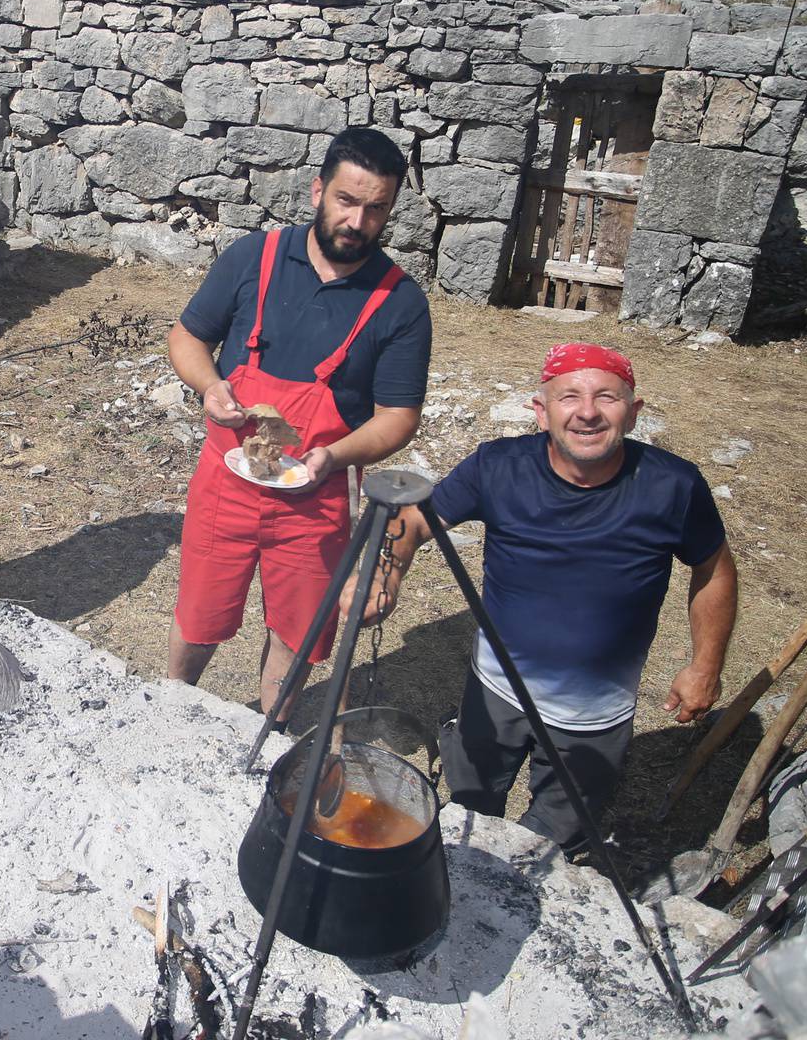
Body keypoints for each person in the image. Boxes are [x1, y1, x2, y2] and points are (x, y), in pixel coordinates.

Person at [360, 342, 737, 852]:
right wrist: (387, 574)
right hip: (493, 693)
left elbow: (713, 569)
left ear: (632, 412)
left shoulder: (673, 486)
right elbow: (414, 520)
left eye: (607, 396)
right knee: (468, 814)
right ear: (541, 411)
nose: (586, 412)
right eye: (569, 397)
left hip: (594, 715)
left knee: (552, 845)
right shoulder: (499, 466)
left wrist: (705, 664)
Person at [166, 126, 433, 727]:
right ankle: (168, 709)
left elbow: (398, 417)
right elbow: (187, 337)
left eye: (376, 208)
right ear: (317, 191)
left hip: (316, 496)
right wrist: (210, 386)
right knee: (199, 613)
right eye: (347, 200)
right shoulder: (253, 259)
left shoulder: (400, 302)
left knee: (297, 630)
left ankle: (272, 731)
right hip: (225, 482)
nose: (358, 221)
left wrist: (331, 458)